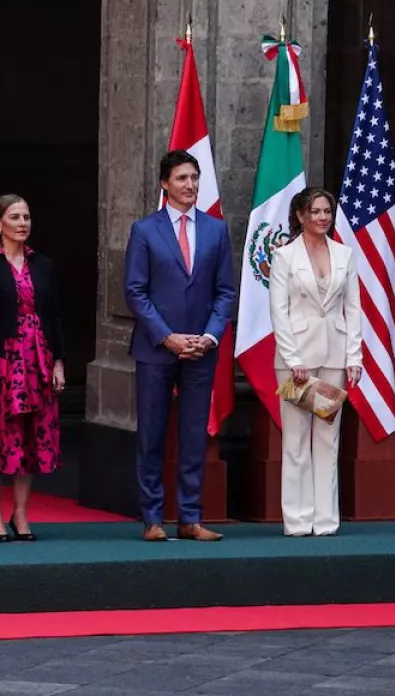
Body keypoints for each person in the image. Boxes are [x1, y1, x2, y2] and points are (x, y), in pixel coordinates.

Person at [124, 150, 236, 542]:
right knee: (152, 435)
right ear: (164, 184)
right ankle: (153, 519)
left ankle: (190, 518)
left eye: (195, 178)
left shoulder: (216, 230)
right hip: (157, 348)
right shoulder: (144, 230)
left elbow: (225, 292)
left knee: (193, 435)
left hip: (201, 349)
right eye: (182, 178)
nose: (190, 185)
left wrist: (208, 336)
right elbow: (135, 292)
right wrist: (167, 337)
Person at [0, 195, 66, 542]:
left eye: (27, 217)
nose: (23, 223)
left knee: (29, 438)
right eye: (15, 217)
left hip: (37, 361)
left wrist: (59, 361)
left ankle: (20, 513)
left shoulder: (44, 265)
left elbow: (55, 316)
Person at [268, 186, 362, 537]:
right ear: (300, 216)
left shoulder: (345, 254)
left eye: (327, 211)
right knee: (295, 440)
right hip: (295, 361)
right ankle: (297, 520)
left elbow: (353, 309)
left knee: (327, 438)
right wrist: (293, 360)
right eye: (317, 211)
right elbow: (278, 312)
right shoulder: (284, 257)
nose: (323, 217)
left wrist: (355, 357)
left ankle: (325, 521)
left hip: (335, 354)